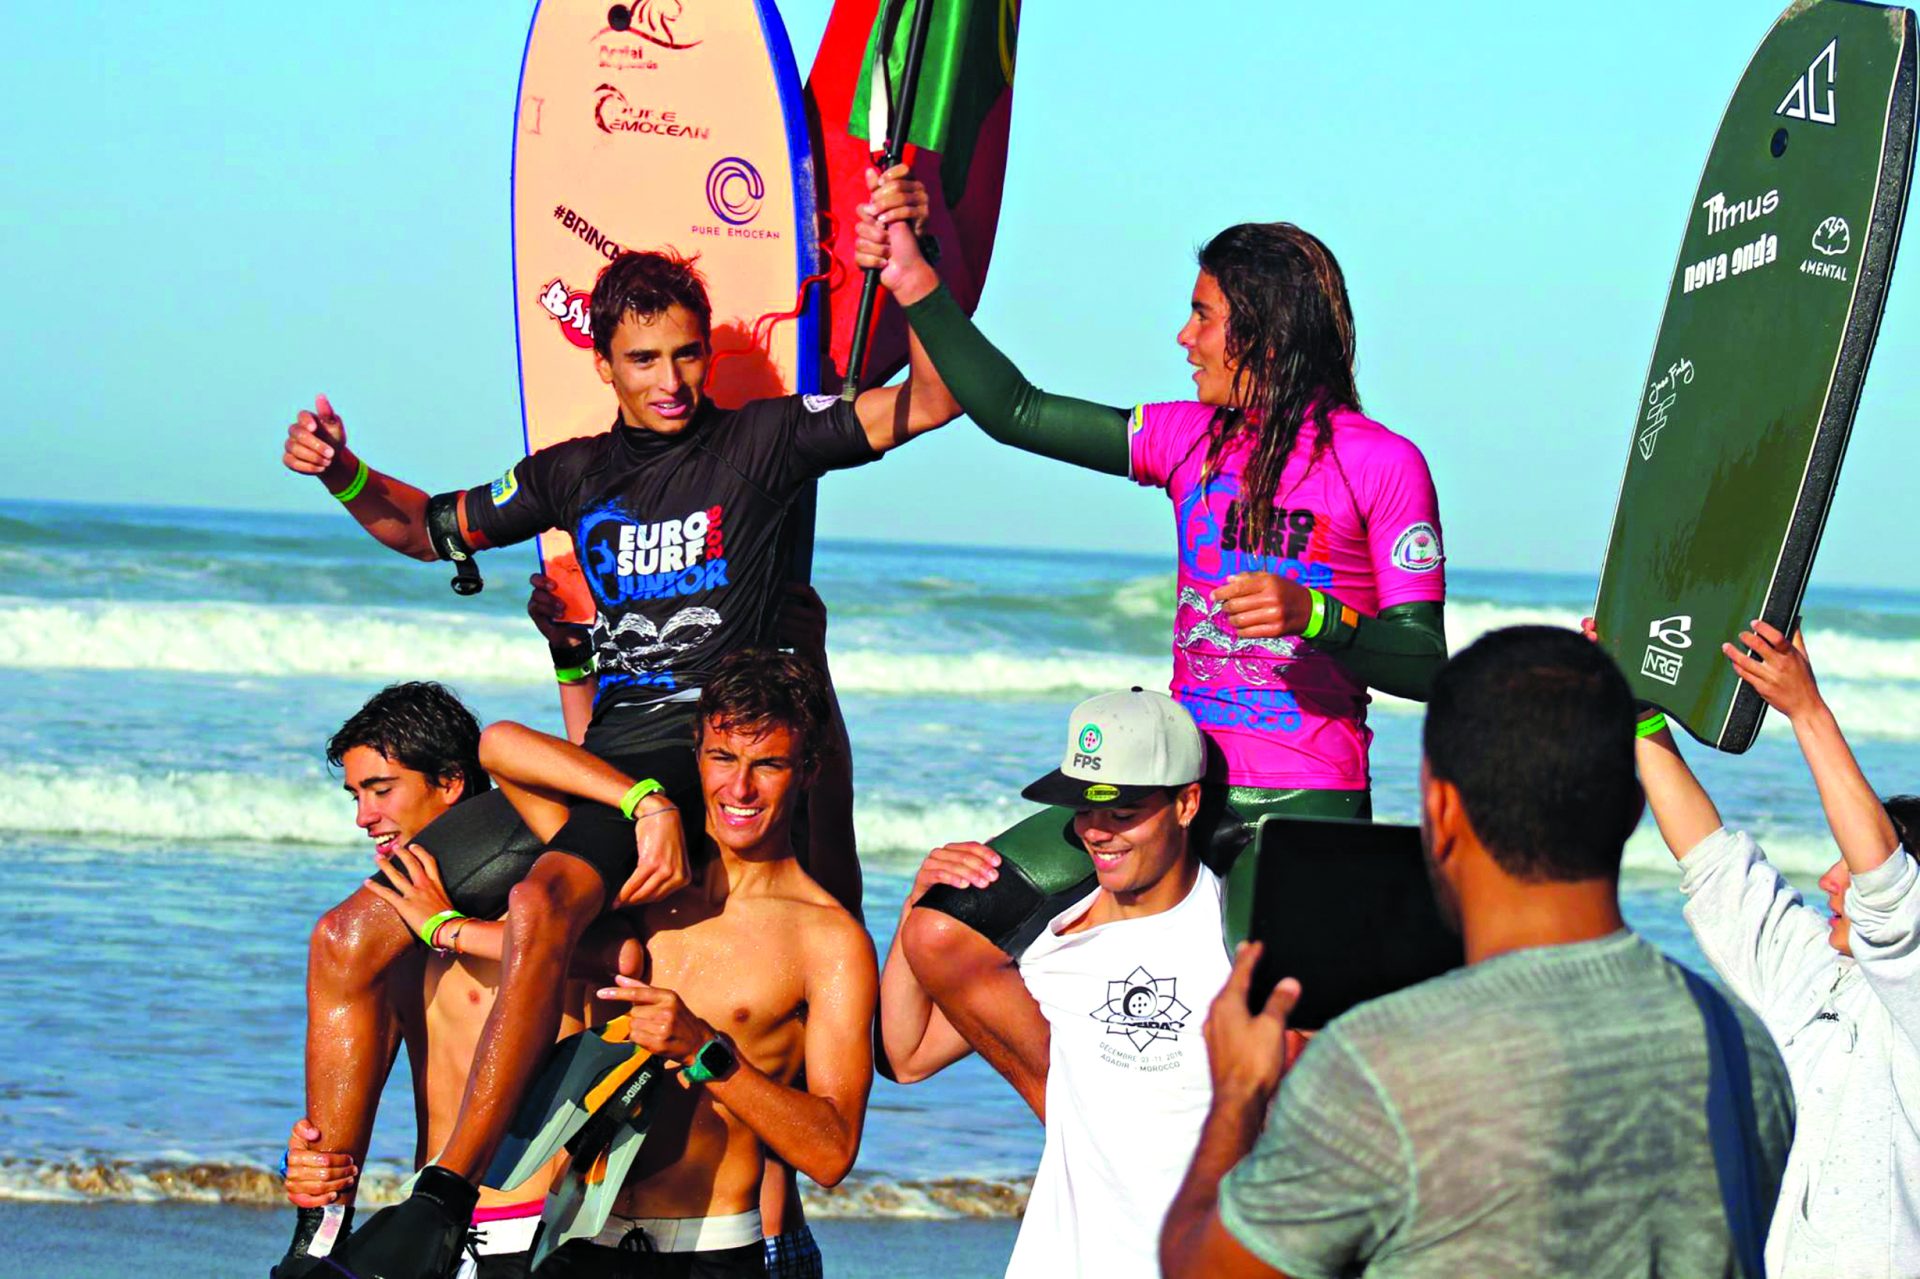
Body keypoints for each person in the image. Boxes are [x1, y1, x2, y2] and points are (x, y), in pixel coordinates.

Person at [275, 174, 954, 1277]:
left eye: (689, 353)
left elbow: (929, 401)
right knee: (348, 938)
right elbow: (426, 524)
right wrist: (343, 471)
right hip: (612, 755)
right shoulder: (574, 474)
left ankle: (451, 1191)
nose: (674, 378)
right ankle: (322, 1229)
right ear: (603, 364)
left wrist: (913, 267)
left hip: (710, 743)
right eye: (645, 360)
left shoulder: (769, 442)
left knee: (548, 899)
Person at [854, 202, 1448, 1086]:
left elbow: (1428, 663)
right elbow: (1016, 410)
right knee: (944, 927)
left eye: (1204, 316)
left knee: (1276, 1034)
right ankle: (1084, 1114)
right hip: (1166, 781)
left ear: (1268, 335)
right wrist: (917, 286)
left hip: (1304, 804)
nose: (1185, 336)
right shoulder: (1186, 438)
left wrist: (1320, 618)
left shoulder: (1382, 464)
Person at [1159, 625, 1796, 1278]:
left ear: (1440, 808)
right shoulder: (1743, 1047)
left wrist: (1239, 1090)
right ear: (1633, 808)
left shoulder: (1383, 1062)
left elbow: (1203, 1269)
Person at [429, 647, 875, 1276]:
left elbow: (831, 1153)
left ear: (806, 770)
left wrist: (706, 1050)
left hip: (709, 1250)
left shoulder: (828, 940)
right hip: (573, 1238)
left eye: (768, 764)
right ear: (697, 753)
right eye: (723, 758)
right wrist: (644, 801)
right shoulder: (642, 873)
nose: (739, 788)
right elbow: (501, 749)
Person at [274, 681, 636, 1278]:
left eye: (381, 790)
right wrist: (313, 1166)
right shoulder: (388, 943)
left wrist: (450, 928)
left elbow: (622, 959)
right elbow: (351, 1085)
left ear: (450, 782)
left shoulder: (539, 896)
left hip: (538, 1231)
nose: (365, 817)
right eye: (355, 796)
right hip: (432, 1232)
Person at [880, 688, 1232, 1277]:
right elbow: (907, 1054)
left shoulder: (1233, 940)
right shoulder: (1051, 942)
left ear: (1186, 803)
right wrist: (916, 907)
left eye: (1122, 814)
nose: (1097, 833)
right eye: (1084, 810)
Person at [1621, 616, 1920, 1277]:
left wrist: (1807, 710)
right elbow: (1714, 862)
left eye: (1851, 858)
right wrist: (1639, 716)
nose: (1830, 878)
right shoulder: (1819, 971)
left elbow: (1887, 888)